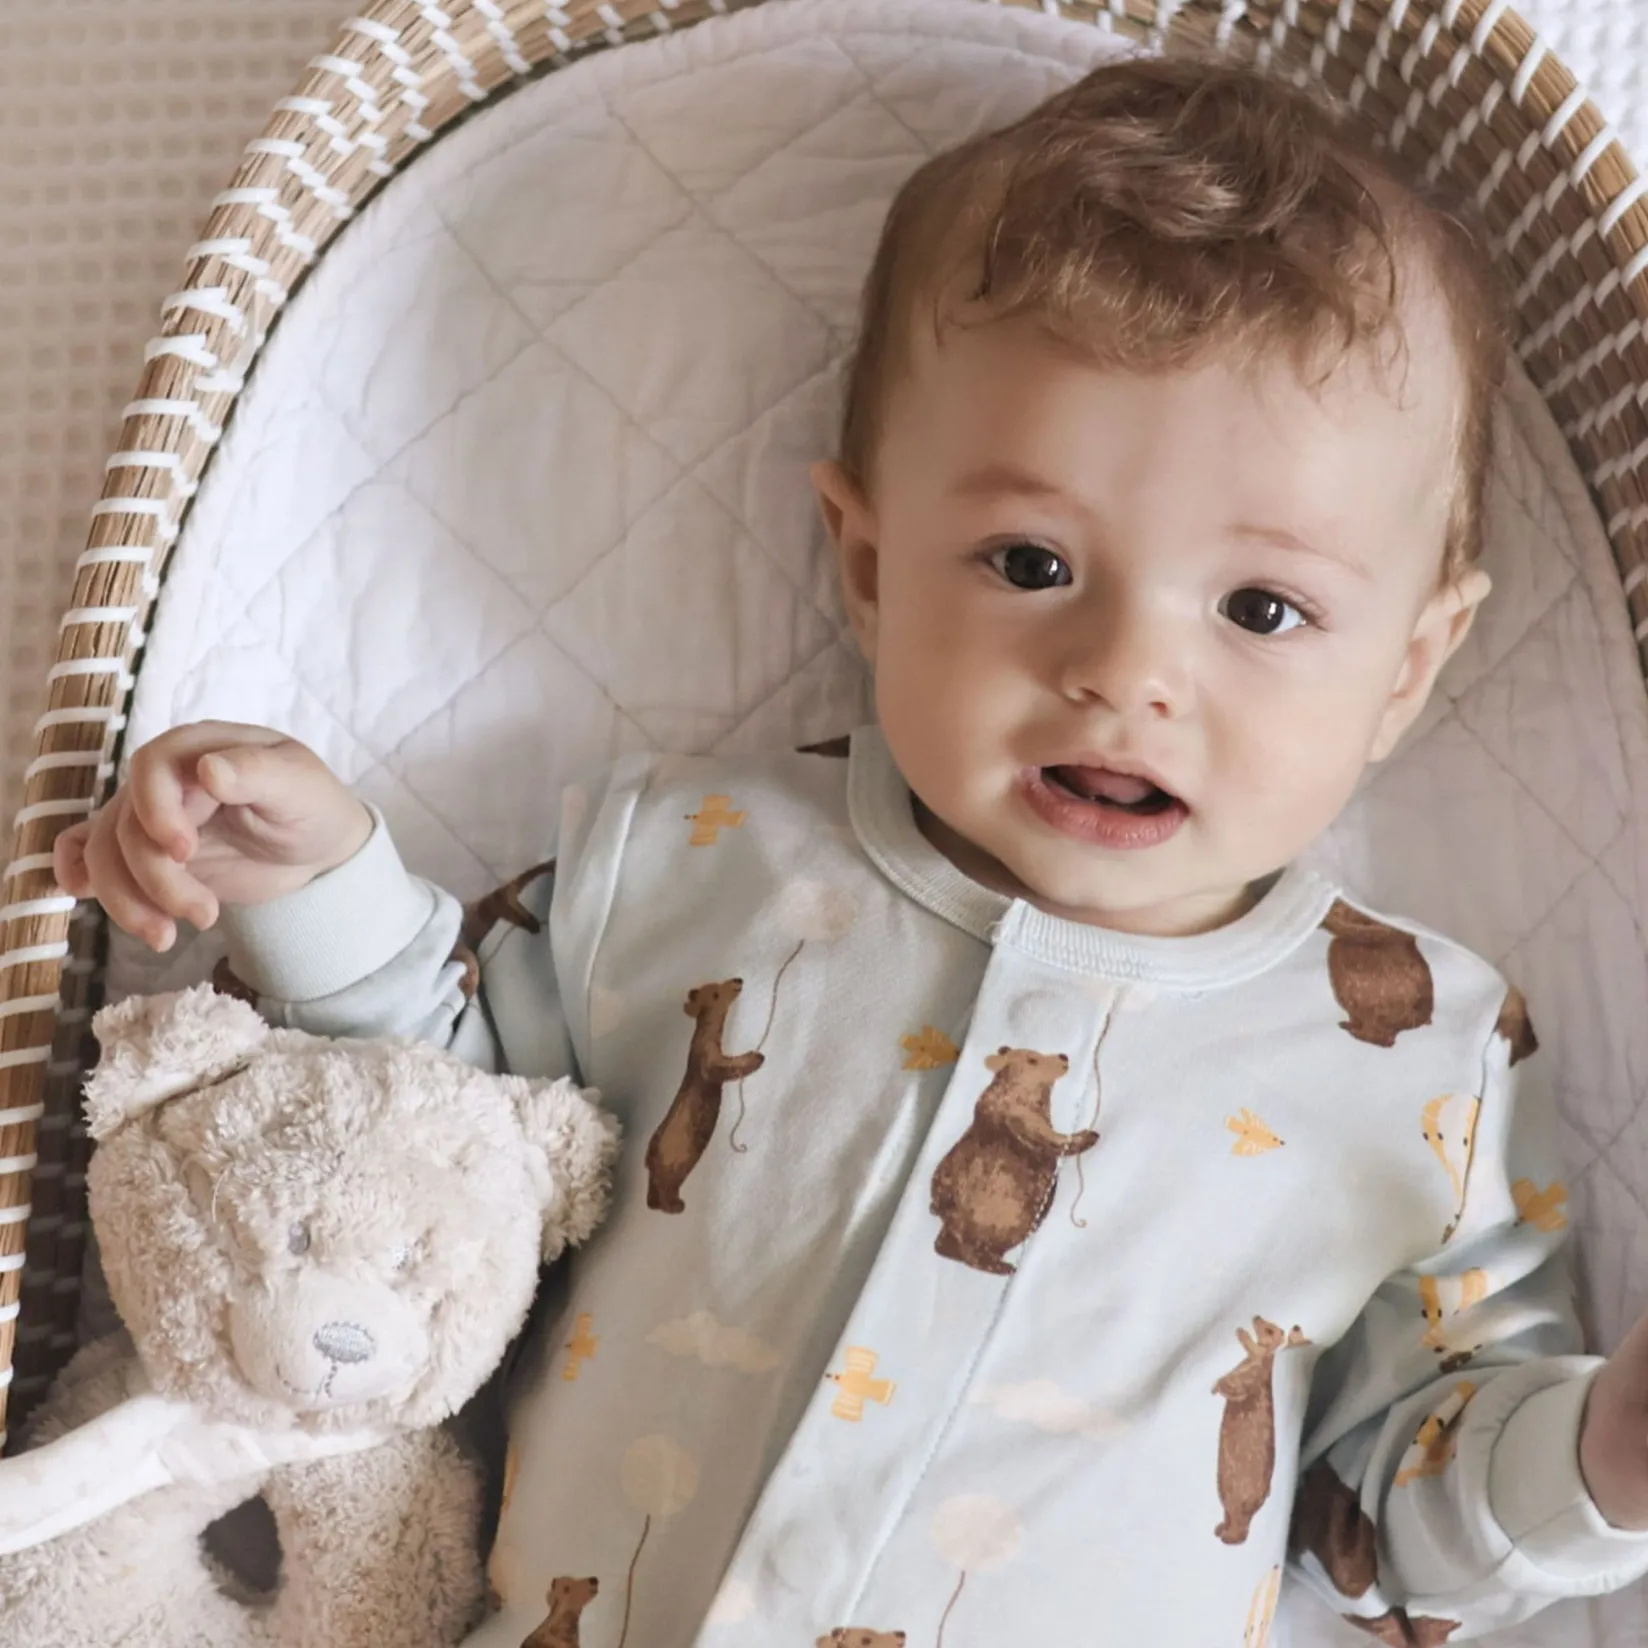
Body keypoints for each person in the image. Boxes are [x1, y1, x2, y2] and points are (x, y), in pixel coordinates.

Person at [55, 54, 1648, 1645]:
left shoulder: (1423, 1058)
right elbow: (446, 1144)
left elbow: (1390, 1516)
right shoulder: (694, 861)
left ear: (1408, 669)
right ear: (871, 567)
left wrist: (1600, 1462)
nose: (1125, 672)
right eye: (1032, 563)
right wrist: (315, 887)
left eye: (1263, 607)